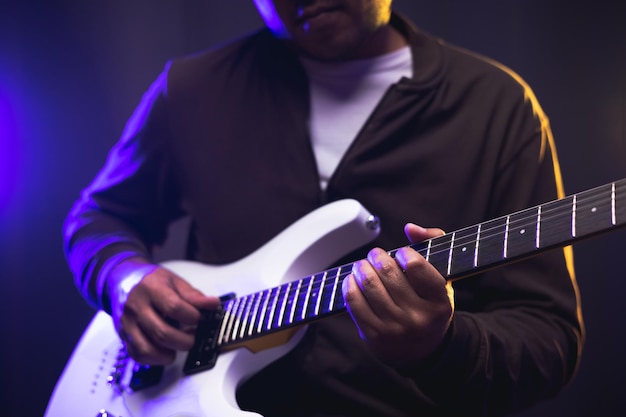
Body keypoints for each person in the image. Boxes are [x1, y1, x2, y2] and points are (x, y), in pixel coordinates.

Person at [63, 1, 584, 416]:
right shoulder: (192, 89)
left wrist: (442, 345)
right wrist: (122, 277)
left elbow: (548, 338)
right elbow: (98, 217)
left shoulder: (497, 106)